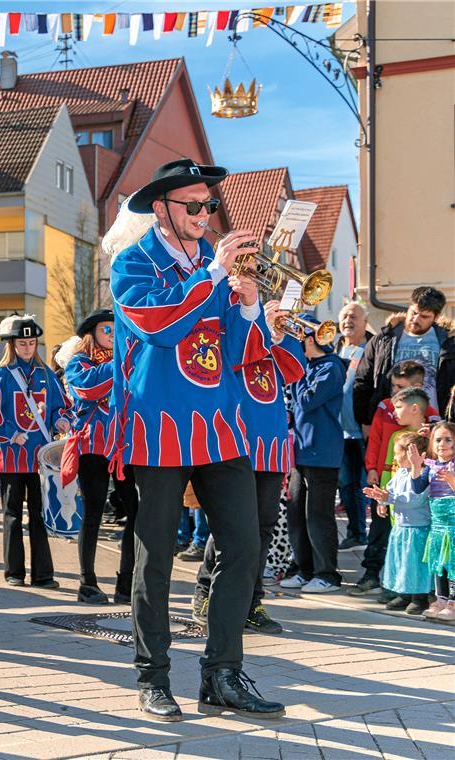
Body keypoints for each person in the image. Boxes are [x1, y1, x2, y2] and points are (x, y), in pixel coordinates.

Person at [111, 158, 283, 720]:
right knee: (155, 554)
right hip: (158, 425)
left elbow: (242, 352)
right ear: (161, 207)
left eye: (210, 205)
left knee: (243, 547)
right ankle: (153, 676)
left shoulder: (216, 269)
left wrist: (251, 300)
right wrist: (211, 275)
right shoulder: (132, 262)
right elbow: (159, 325)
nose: (206, 214)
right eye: (194, 205)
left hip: (221, 426)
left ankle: (223, 672)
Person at [193, 300, 306, 635]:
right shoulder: (231, 324)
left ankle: (251, 601)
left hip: (270, 444)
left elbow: (294, 370)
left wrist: (278, 335)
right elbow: (233, 356)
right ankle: (205, 591)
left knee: (263, 528)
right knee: (230, 527)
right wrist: (256, 323)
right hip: (236, 441)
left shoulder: (275, 336)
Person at [0, 315, 70, 590]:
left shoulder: (46, 375)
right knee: (12, 515)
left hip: (40, 457)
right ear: (12, 345)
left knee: (40, 514)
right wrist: (9, 434)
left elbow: (60, 406)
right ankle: (14, 571)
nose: (28, 348)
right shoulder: (2, 375)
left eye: (32, 342)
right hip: (11, 457)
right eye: (23, 343)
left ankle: (43, 574)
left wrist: (61, 420)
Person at [351, 361, 441, 596]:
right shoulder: (386, 407)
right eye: (393, 386)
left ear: (417, 386)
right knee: (380, 533)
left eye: (400, 387)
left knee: (408, 540)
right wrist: (371, 468)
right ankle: (373, 575)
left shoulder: (430, 418)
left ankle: (412, 590)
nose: (394, 393)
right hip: (387, 484)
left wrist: (431, 435)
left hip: (415, 493)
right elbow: (376, 440)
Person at [63, 309, 126, 602]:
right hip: (93, 447)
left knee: (136, 509)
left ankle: (127, 582)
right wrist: (121, 363)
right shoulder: (79, 362)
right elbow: (87, 388)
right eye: (107, 330)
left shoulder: (126, 362)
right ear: (92, 333)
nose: (112, 335)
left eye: (116, 329)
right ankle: (87, 583)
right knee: (93, 513)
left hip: (124, 446)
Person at [281, 322, 346, 594]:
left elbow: (307, 401)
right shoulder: (308, 368)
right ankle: (304, 569)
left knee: (317, 516)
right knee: (296, 514)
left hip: (323, 451)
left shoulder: (332, 367)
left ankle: (327, 574)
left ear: (308, 341)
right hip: (302, 452)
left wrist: (296, 372)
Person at [354, 286, 454, 426]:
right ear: (409, 307)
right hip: (388, 421)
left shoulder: (449, 343)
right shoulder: (383, 340)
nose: (415, 319)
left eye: (424, 316)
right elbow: (362, 382)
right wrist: (365, 422)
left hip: (433, 424)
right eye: (413, 312)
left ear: (436, 317)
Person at [362, 433, 432, 614]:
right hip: (401, 528)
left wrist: (389, 498)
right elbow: (390, 490)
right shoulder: (400, 473)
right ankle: (405, 593)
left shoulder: (424, 475)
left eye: (397, 453)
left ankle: (420, 597)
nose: (394, 457)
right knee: (402, 562)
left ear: (411, 453)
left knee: (416, 564)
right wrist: (382, 500)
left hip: (417, 529)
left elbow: (414, 499)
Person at [337, 302, 371, 549]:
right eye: (345, 316)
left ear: (365, 321)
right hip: (337, 430)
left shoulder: (371, 347)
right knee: (346, 484)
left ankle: (361, 533)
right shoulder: (333, 346)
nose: (349, 320)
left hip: (361, 429)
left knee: (361, 484)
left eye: (354, 316)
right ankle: (354, 532)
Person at [420, 422, 455, 622]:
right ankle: (440, 599)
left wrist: (451, 479)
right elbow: (417, 487)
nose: (442, 444)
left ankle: (453, 601)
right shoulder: (431, 466)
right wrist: (417, 466)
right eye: (438, 439)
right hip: (437, 526)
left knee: (453, 564)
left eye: (448, 439)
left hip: (453, 525)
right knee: (438, 563)